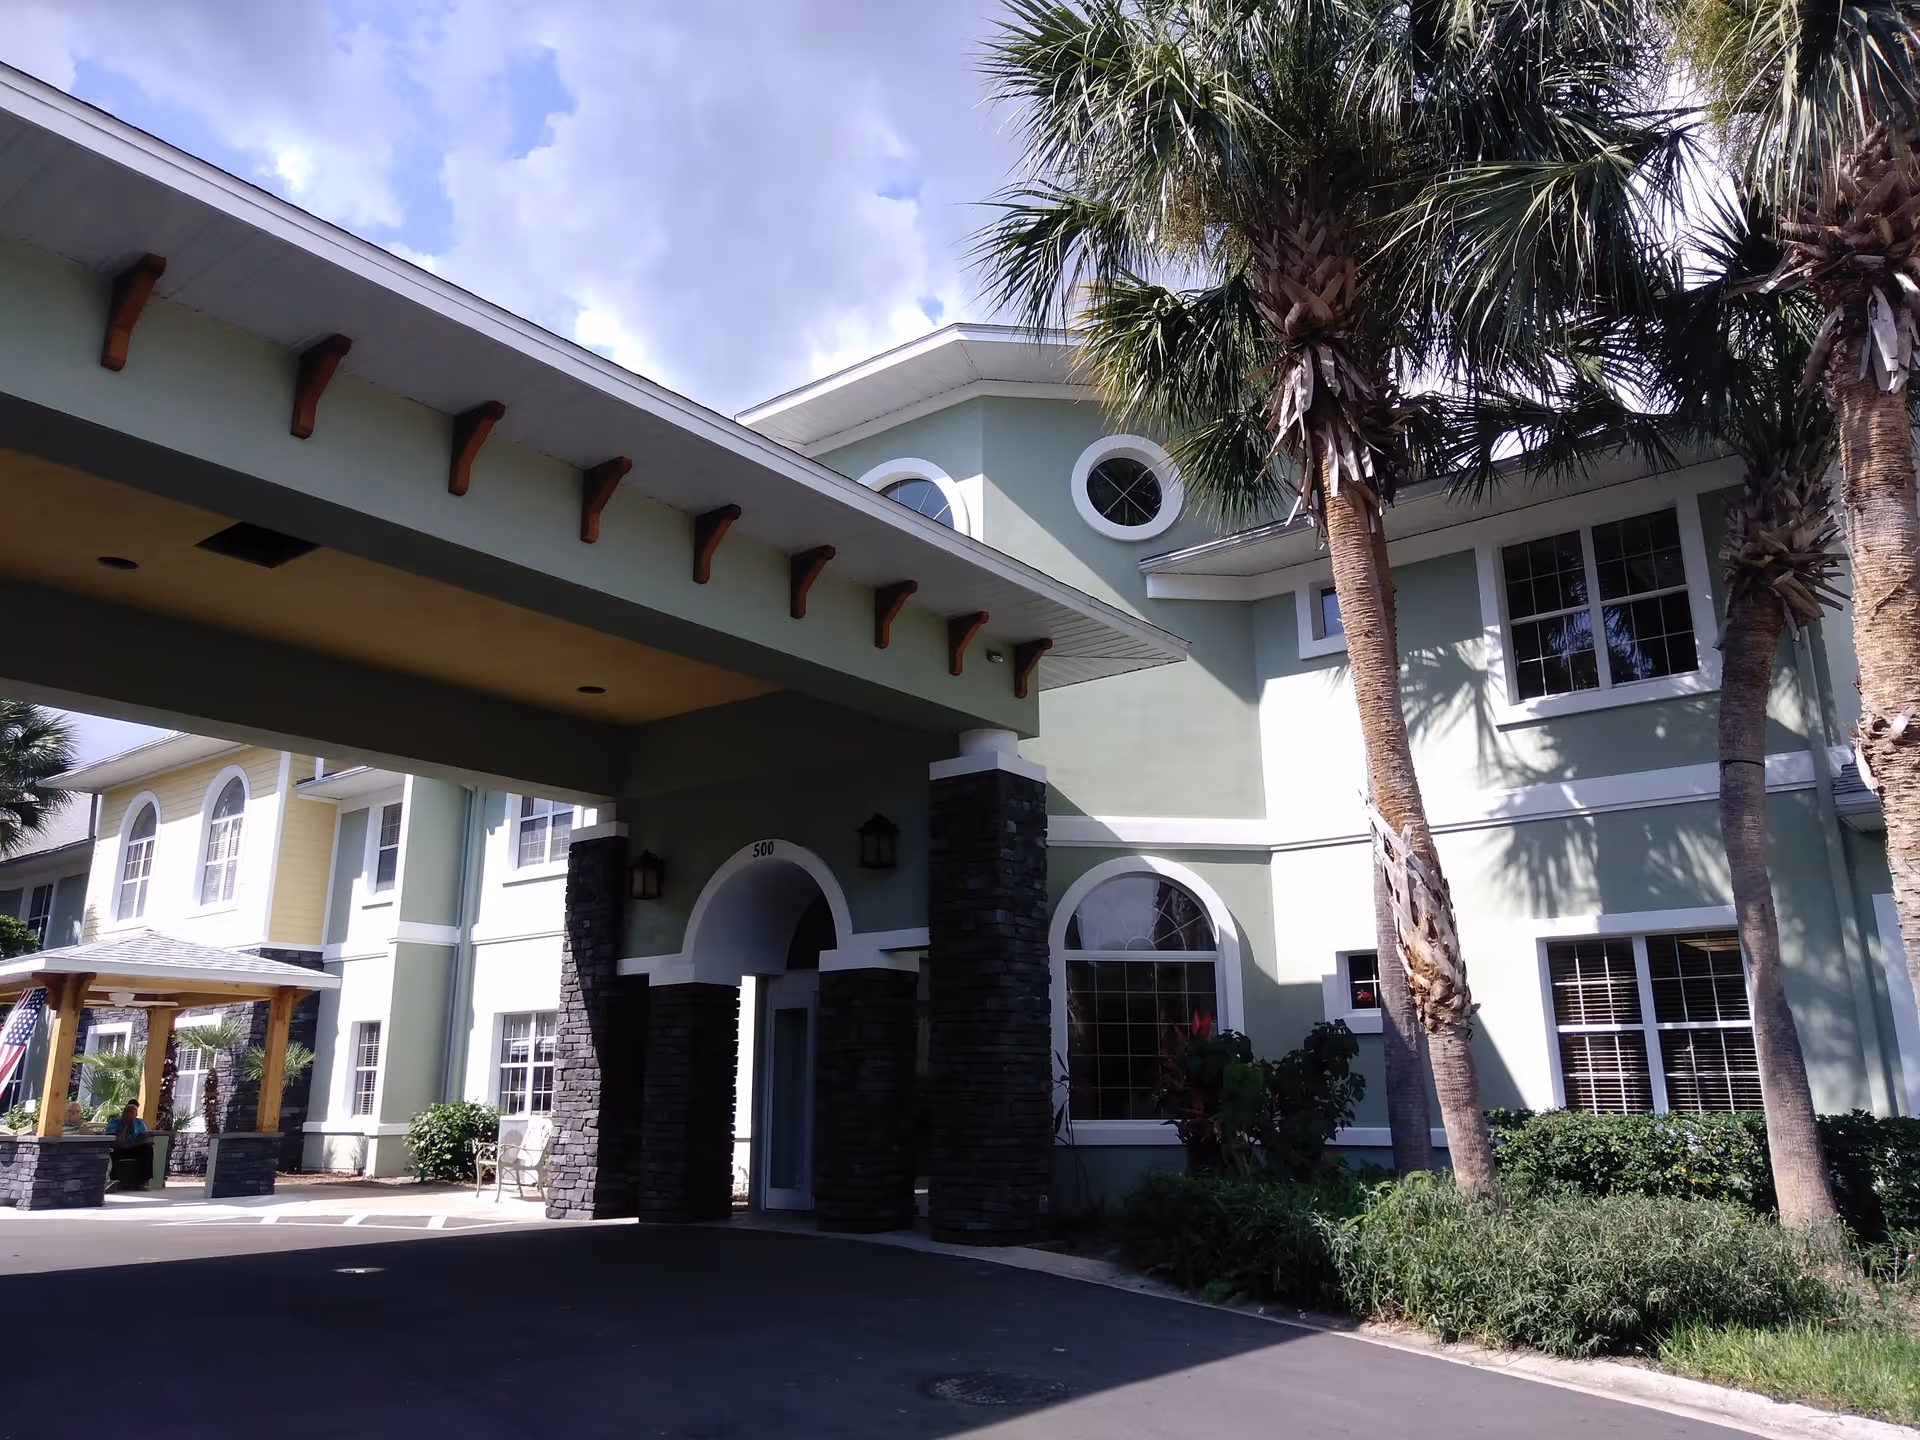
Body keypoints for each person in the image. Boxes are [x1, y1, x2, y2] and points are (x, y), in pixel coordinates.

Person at [104, 1102, 153, 1190]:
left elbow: (144, 1138)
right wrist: (125, 1126)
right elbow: (116, 1140)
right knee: (113, 1152)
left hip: (131, 1147)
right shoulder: (114, 1122)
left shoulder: (139, 1123)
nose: (128, 1115)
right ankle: (114, 1181)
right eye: (127, 1112)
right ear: (123, 1113)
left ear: (136, 1115)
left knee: (148, 1148)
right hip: (117, 1148)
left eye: (131, 1113)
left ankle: (143, 1182)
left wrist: (128, 1146)